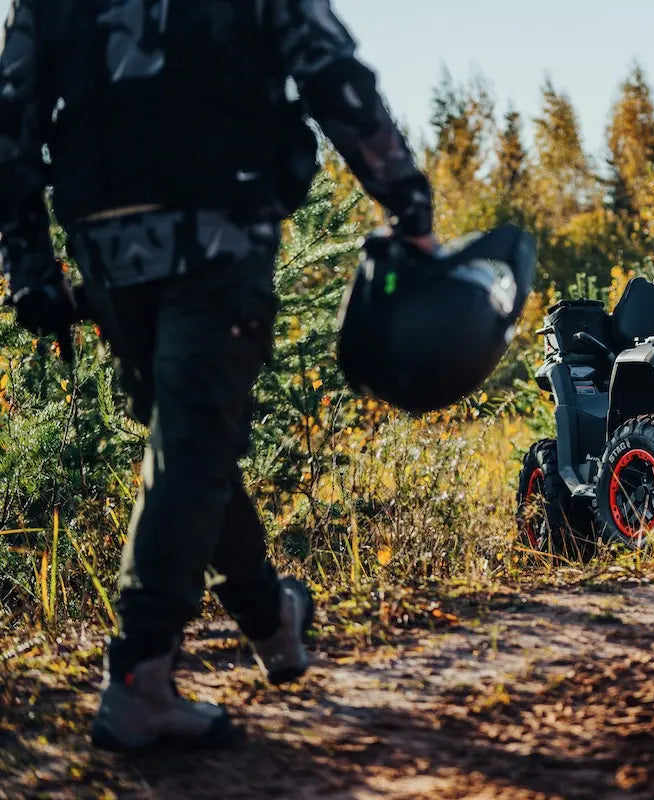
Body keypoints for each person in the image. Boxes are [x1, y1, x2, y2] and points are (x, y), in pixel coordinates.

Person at [0, 0, 435, 752]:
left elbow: (10, 115)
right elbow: (334, 73)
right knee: (195, 445)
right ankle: (140, 679)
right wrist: (409, 205)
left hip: (109, 251)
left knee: (191, 443)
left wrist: (31, 268)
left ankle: (272, 621)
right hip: (217, 236)